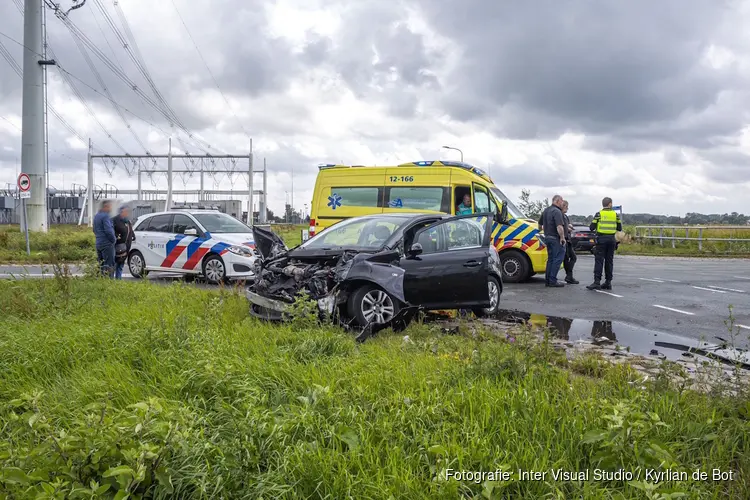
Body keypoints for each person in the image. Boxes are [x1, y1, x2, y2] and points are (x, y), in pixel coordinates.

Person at [586, 197, 622, 290]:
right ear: (610, 204)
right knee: (609, 261)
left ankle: (597, 282)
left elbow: (591, 227)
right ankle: (608, 282)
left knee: (599, 260)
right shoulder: (615, 215)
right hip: (611, 240)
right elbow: (619, 228)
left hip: (601, 239)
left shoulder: (599, 214)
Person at [540, 195, 567, 287]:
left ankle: (548, 280)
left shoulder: (546, 210)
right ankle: (553, 280)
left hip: (547, 237)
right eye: (562, 201)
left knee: (550, 259)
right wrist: (562, 238)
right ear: (558, 201)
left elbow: (539, 224)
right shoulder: (557, 211)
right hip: (555, 238)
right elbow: (559, 226)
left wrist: (542, 232)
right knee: (558, 259)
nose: (562, 203)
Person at [93, 199, 116, 278]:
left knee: (101, 264)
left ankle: (101, 282)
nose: (111, 209)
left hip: (98, 243)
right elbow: (108, 230)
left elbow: (94, 230)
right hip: (107, 244)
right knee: (109, 264)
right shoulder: (106, 216)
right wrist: (113, 240)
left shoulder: (96, 216)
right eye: (110, 207)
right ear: (106, 207)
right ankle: (109, 283)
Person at [113, 204, 135, 280]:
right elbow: (111, 231)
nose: (127, 213)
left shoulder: (127, 220)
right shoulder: (115, 220)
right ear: (122, 211)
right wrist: (116, 237)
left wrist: (132, 235)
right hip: (118, 246)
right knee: (115, 264)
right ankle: (111, 281)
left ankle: (118, 280)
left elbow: (130, 229)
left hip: (126, 246)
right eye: (126, 211)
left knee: (121, 264)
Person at [561, 200, 578, 284]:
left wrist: (569, 226)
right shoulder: (560, 215)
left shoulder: (565, 216)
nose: (567, 208)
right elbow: (562, 226)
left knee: (570, 258)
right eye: (566, 207)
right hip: (564, 240)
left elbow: (567, 225)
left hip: (568, 239)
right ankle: (569, 276)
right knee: (568, 258)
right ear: (563, 206)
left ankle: (569, 276)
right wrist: (568, 228)